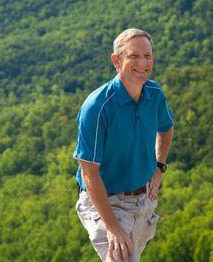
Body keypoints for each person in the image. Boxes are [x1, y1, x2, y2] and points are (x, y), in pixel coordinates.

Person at [73, 28, 174, 261]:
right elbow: (89, 174)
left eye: (147, 56)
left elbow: (166, 128)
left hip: (141, 200)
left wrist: (159, 167)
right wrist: (113, 227)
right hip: (105, 203)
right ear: (116, 61)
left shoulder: (154, 94)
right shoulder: (97, 107)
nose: (143, 63)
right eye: (134, 56)